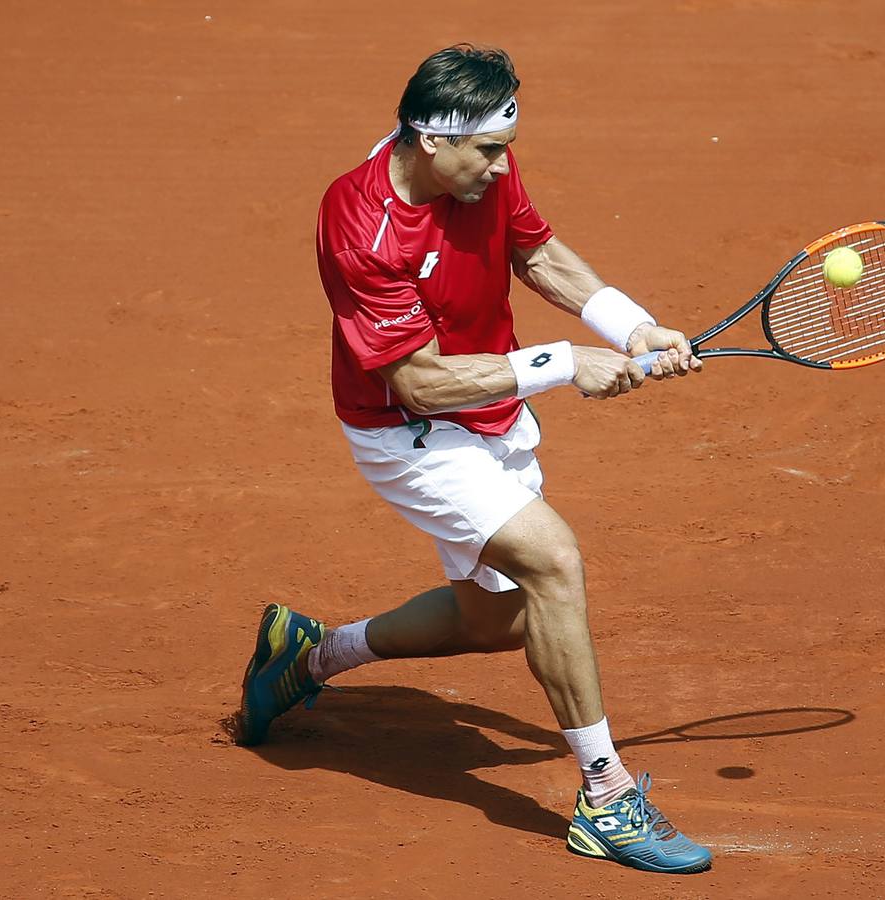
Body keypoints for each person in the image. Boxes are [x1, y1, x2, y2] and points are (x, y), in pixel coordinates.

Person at [236, 44, 710, 875]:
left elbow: (537, 253)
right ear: (429, 140)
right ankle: (606, 798)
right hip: (410, 435)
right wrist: (566, 363)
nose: (501, 167)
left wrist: (630, 325)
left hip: (494, 410)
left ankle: (306, 655)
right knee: (553, 563)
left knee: (494, 623)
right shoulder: (360, 222)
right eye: (486, 151)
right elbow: (417, 384)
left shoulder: (485, 172)